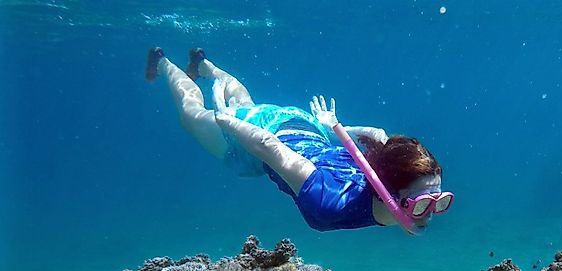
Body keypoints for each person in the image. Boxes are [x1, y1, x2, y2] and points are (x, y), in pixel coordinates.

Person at [145, 47, 453, 234]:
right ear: (386, 191)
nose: (429, 215)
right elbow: (270, 149)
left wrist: (334, 126)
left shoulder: (382, 170)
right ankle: (162, 62)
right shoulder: (330, 200)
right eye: (422, 204)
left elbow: (381, 138)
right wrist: (228, 122)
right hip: (258, 141)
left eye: (439, 202)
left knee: (245, 101)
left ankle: (204, 65)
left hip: (308, 127)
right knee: (192, 115)